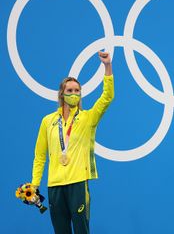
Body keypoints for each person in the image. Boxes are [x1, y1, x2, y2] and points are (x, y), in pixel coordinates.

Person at [31, 51, 114, 233]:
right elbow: (40, 156)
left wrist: (107, 66)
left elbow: (107, 97)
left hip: (78, 183)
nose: (74, 94)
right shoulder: (48, 121)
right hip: (54, 185)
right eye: (70, 90)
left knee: (81, 230)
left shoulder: (87, 118)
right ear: (62, 93)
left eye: (77, 91)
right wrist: (35, 184)